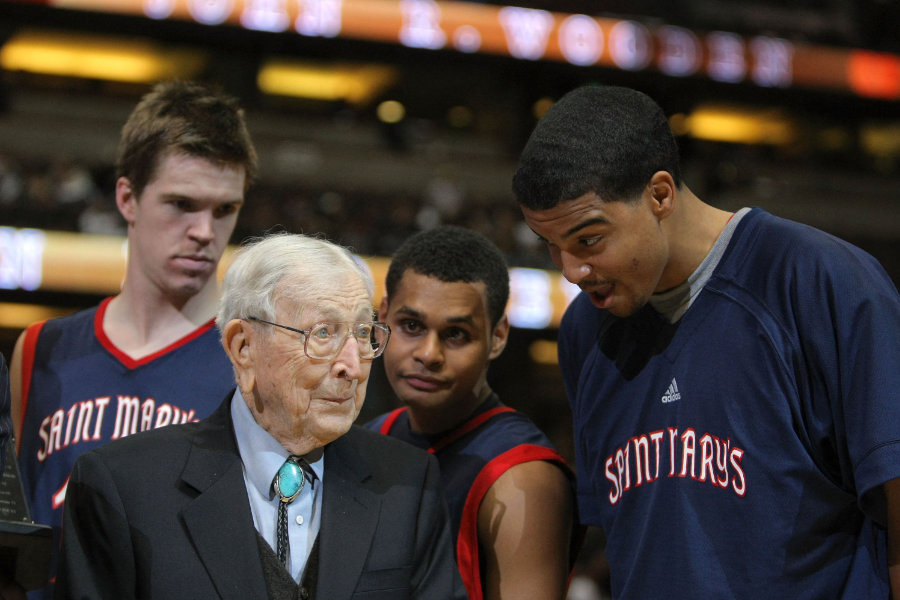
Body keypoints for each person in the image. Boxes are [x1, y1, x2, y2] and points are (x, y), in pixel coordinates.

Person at [511, 84, 900, 598]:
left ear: (660, 195)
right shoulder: (586, 331)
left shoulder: (820, 282)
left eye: (588, 240)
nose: (572, 271)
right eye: (551, 247)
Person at [55, 232, 467, 599]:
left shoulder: (410, 485)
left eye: (362, 334)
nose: (353, 366)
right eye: (323, 333)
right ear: (243, 347)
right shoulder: (123, 486)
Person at [8, 79, 258, 597]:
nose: (204, 231)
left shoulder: (254, 363)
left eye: (223, 210)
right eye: (181, 204)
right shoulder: (38, 349)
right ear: (127, 198)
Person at [366, 225, 579, 600]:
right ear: (383, 317)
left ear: (497, 337)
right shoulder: (369, 438)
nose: (429, 354)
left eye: (456, 335)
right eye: (411, 326)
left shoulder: (524, 477)